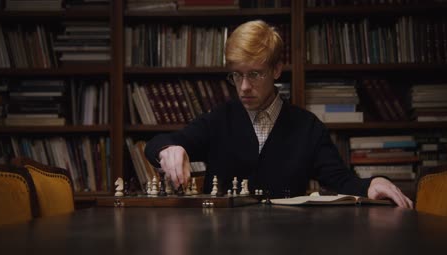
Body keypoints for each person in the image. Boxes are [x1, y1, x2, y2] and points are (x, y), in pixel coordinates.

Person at [145, 20, 413, 208]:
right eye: (237, 75)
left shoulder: (307, 127)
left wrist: (372, 183)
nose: (244, 87)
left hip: (289, 245)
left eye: (255, 74)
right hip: (223, 246)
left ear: (276, 70)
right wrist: (168, 149)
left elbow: (341, 180)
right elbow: (158, 142)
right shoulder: (219, 120)